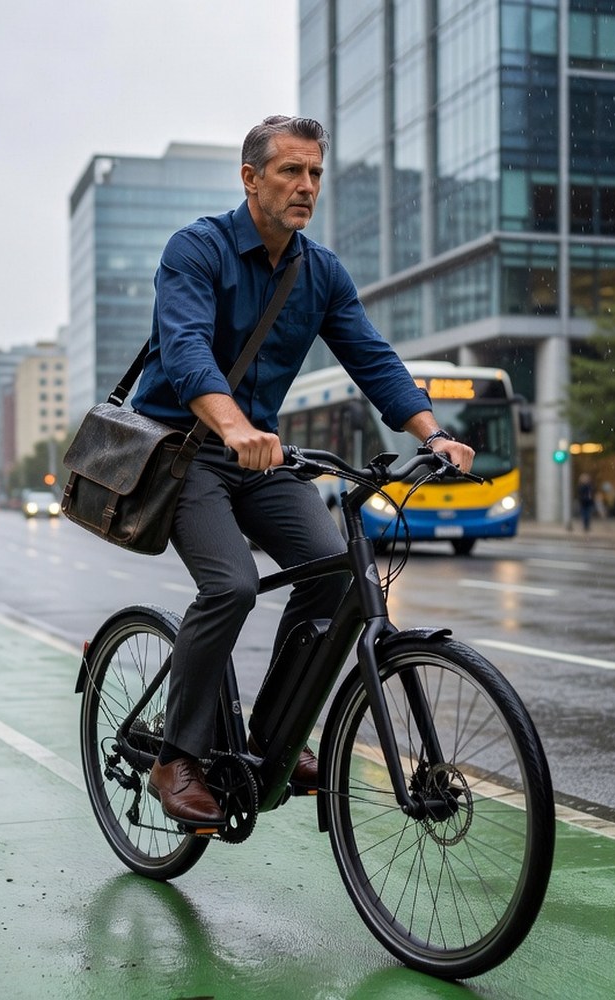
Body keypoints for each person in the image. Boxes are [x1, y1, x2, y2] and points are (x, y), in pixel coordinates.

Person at [129, 115, 476, 826]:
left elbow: (371, 357)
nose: (306, 186)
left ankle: (272, 738)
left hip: (261, 455)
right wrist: (233, 426)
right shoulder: (196, 250)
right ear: (251, 178)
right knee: (231, 584)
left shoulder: (319, 272)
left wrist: (431, 431)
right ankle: (175, 755)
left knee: (338, 575)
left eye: (314, 173)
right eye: (290, 171)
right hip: (184, 451)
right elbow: (187, 349)